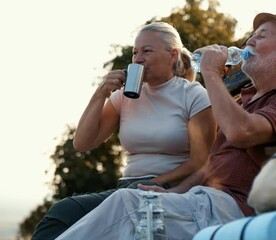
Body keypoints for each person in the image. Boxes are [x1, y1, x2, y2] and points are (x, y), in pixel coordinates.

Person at [56, 10, 276, 240]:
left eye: (261, 36)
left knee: (127, 205)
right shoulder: (246, 99)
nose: (249, 40)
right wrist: (170, 193)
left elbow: (242, 132)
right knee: (77, 211)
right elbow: (210, 163)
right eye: (252, 34)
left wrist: (210, 73)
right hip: (202, 199)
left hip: (234, 208)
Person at [32, 22, 216, 240]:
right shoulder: (125, 96)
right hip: (126, 188)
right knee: (63, 213)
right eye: (135, 53)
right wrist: (101, 93)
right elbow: (82, 143)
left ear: (172, 55)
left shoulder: (193, 95)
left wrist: (156, 182)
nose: (138, 59)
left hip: (169, 188)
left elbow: (200, 161)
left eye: (147, 51)